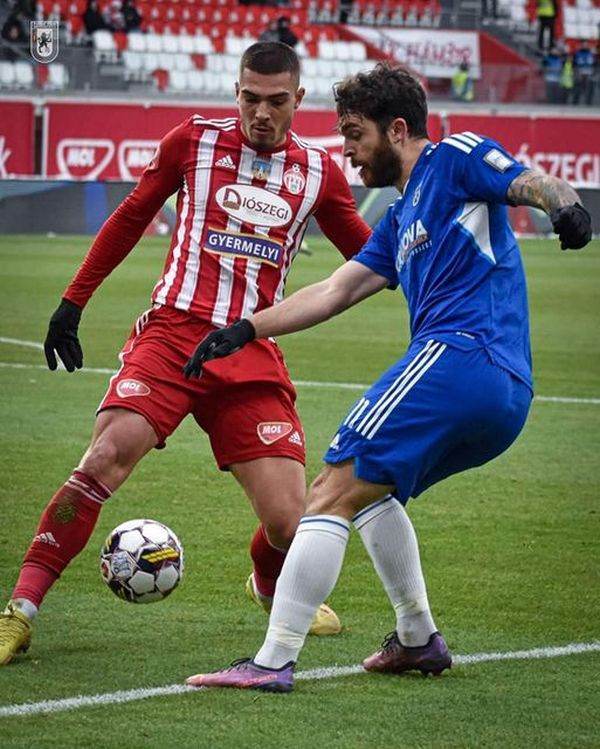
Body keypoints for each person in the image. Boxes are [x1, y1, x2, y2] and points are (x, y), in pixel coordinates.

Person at [184, 63, 592, 692]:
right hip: (499, 389)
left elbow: (526, 181)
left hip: (463, 355)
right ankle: (417, 638)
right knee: (374, 494)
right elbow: (339, 286)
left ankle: (271, 661)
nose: (346, 150)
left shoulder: (452, 157)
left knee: (330, 485)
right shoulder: (403, 218)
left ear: (397, 129)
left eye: (354, 134)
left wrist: (563, 205)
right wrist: (248, 328)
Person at [0, 42, 372, 666]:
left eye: (276, 101)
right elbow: (130, 215)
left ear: (298, 100)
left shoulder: (318, 173)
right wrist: (73, 302)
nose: (260, 112)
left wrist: (435, 283)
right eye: (249, 97)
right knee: (105, 456)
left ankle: (268, 582)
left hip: (251, 348)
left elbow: (369, 258)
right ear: (236, 92)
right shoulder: (192, 142)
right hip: (173, 335)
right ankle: (19, 611)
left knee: (290, 525)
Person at [573, 40, 596, 106]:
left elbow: (594, 64)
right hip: (580, 73)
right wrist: (576, 72)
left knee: (589, 89)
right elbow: (574, 64)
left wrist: (593, 73)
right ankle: (576, 103)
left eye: (586, 45)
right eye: (583, 44)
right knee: (578, 88)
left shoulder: (591, 53)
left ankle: (588, 103)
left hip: (589, 73)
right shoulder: (577, 53)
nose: (585, 46)